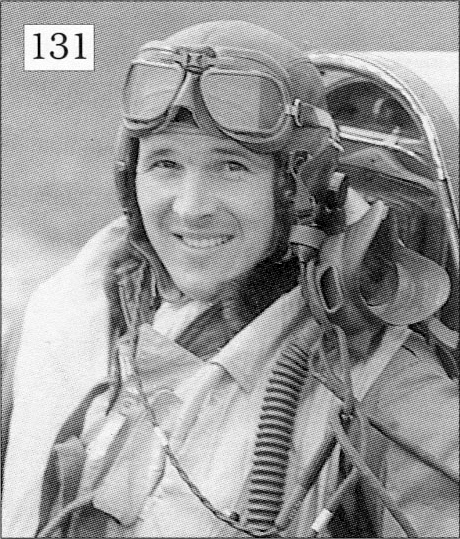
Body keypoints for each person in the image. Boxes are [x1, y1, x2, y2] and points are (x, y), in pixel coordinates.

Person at [2, 20, 458, 538]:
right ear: (131, 177)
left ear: (298, 190)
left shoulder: (383, 390)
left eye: (231, 167)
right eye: (165, 164)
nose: (190, 207)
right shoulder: (69, 314)